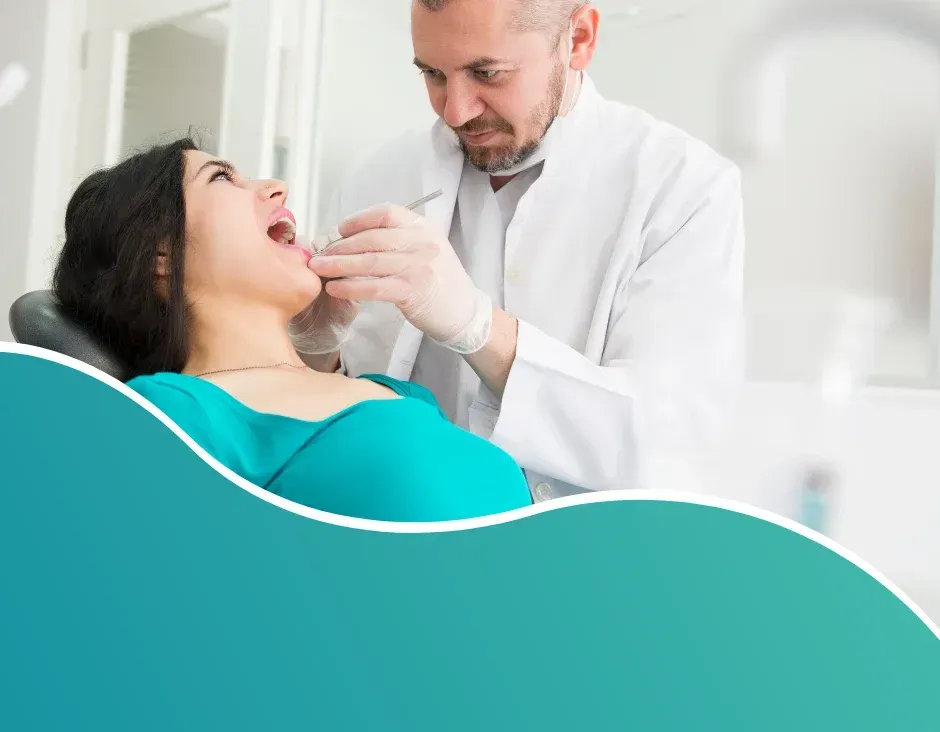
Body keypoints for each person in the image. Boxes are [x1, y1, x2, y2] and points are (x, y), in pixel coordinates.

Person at [293, 0, 746, 503]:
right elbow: (336, 421)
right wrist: (316, 350)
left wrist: (480, 329)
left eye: (487, 73)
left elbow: (666, 440)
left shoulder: (682, 187)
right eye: (433, 74)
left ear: (578, 39)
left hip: (588, 557)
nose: (456, 111)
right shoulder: (379, 176)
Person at [50, 138, 532, 522]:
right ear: (162, 255)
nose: (276, 186)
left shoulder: (398, 394)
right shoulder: (170, 413)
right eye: (221, 178)